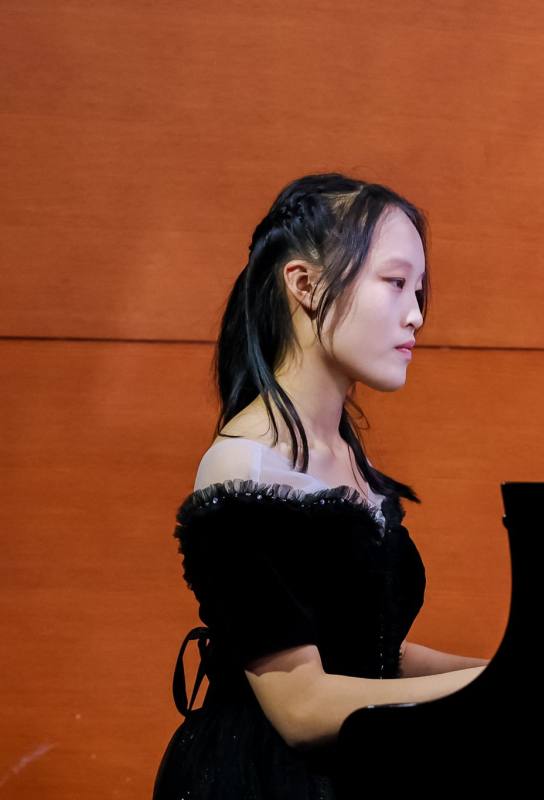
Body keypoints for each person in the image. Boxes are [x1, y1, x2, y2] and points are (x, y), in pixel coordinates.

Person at [153, 173, 488, 798]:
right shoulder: (246, 469)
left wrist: (506, 671)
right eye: (395, 283)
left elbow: (368, 651)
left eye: (417, 289)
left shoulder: (342, 454)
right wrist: (493, 689)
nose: (416, 314)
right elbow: (302, 707)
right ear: (305, 285)